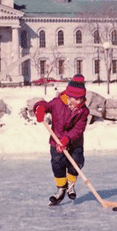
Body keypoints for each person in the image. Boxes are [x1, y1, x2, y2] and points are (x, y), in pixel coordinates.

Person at [33, 74, 90, 205]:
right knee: (57, 164)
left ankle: (71, 185)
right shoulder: (58, 103)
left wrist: (67, 139)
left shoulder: (83, 111)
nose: (78, 102)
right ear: (68, 96)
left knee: (76, 163)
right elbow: (45, 105)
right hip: (56, 141)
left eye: (80, 98)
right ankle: (61, 189)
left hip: (74, 142)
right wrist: (39, 109)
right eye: (75, 98)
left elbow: (78, 129)